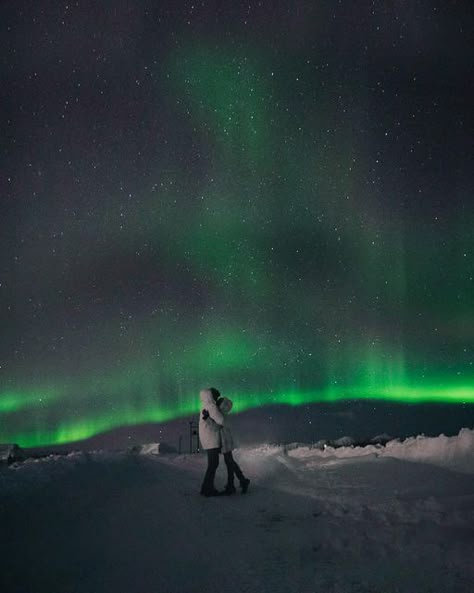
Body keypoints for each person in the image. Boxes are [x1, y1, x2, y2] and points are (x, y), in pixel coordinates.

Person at [216, 396, 250, 496]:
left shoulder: (221, 415)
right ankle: (240, 481)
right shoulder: (224, 414)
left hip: (225, 441)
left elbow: (218, 426)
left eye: (219, 403)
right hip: (226, 441)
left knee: (229, 462)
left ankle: (235, 484)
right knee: (230, 462)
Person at [198, 387, 224, 497]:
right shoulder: (211, 407)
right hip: (211, 439)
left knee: (212, 464)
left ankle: (206, 488)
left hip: (207, 439)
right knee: (213, 464)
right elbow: (221, 420)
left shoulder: (204, 406)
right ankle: (208, 489)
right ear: (211, 396)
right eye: (216, 396)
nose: (217, 398)